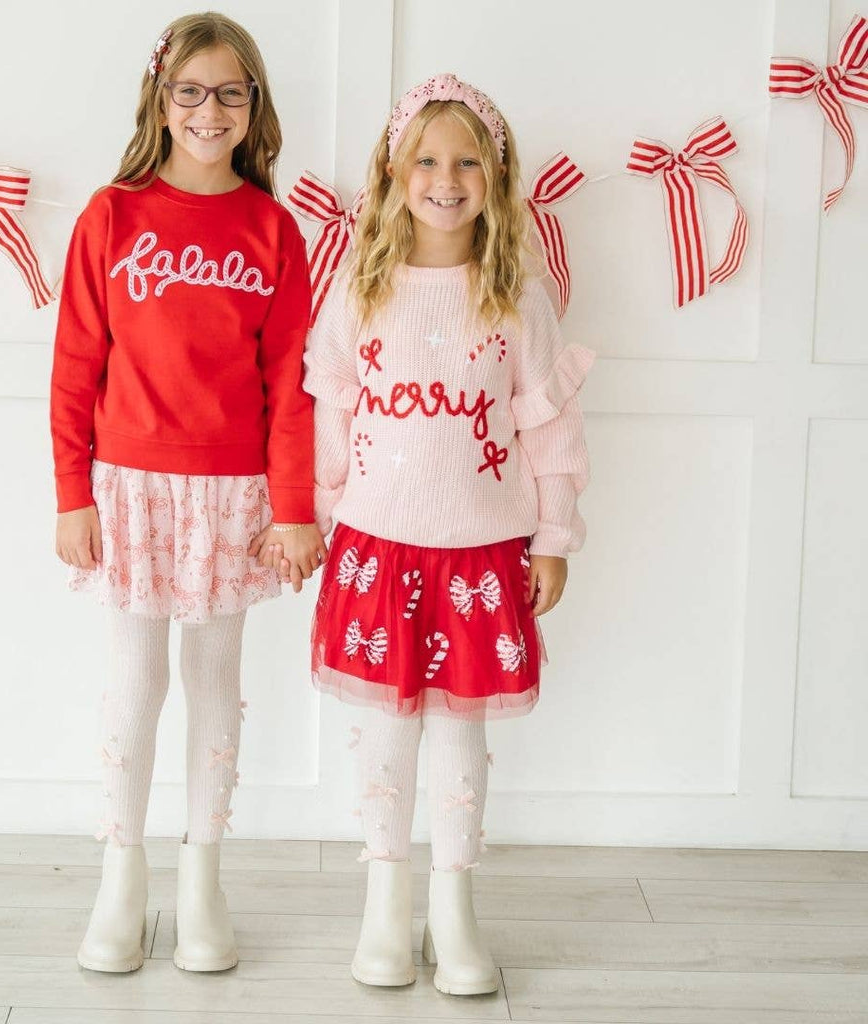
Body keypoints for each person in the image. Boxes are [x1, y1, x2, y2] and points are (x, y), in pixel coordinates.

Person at [288, 73, 594, 994]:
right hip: (377, 550)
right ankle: (386, 905)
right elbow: (329, 418)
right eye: (425, 159)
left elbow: (549, 430)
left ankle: (454, 911)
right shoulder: (358, 292)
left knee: (461, 734)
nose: (446, 178)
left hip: (482, 556)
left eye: (467, 161)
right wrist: (317, 518)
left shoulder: (516, 300)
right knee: (387, 732)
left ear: (496, 179)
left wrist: (553, 536)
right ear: (394, 173)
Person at [49, 12, 325, 975]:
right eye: (191, 92)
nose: (210, 111)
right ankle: (120, 881)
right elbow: (76, 363)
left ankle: (202, 880)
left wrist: (295, 509)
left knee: (215, 683)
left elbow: (293, 381)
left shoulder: (272, 229)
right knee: (135, 679)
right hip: (126, 486)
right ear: (161, 103)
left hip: (233, 494)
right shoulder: (111, 216)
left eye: (231, 93)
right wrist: (70, 491)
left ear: (254, 108)